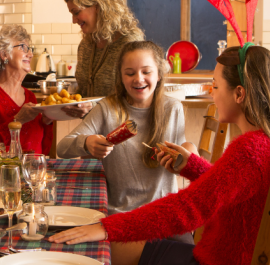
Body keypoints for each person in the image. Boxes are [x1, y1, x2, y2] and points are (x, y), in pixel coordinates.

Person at [47, 44, 270, 265]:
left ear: (239, 94)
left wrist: (105, 227)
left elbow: (186, 209)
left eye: (216, 86)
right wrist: (192, 165)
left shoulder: (250, 150)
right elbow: (228, 187)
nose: (212, 92)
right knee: (103, 259)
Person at [56, 41, 194, 235]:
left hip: (163, 216)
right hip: (121, 217)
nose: (138, 79)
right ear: (121, 77)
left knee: (189, 260)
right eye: (130, 73)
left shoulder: (173, 109)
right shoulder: (107, 108)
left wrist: (187, 154)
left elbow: (183, 162)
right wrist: (86, 143)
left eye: (146, 72)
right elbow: (62, 148)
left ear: (159, 74)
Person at [35, 0, 143, 119]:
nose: (74, 20)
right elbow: (84, 94)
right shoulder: (86, 45)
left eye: (76, 12)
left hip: (124, 131)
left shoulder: (130, 44)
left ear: (98, 7)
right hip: (93, 132)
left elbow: (139, 98)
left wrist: (94, 107)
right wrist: (67, 105)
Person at [0, 24, 53, 155]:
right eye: (23, 47)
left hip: (32, 172)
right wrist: (17, 120)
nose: (30, 54)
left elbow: (42, 150)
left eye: (29, 49)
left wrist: (47, 122)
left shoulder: (30, 96)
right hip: (2, 173)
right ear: (4, 54)